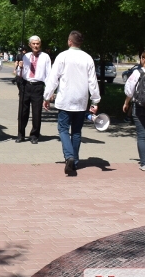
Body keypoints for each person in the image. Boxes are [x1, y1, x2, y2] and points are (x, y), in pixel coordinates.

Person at [43, 31, 101, 177]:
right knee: (76, 132)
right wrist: (95, 100)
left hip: (65, 100)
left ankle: (69, 156)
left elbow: (53, 78)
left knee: (63, 129)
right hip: (81, 101)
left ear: (69, 41)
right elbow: (92, 81)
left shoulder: (62, 56)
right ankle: (74, 162)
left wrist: (47, 96)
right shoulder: (87, 58)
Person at [16, 36, 52, 144]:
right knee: (23, 111)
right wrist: (20, 67)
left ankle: (34, 135)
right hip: (26, 85)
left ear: (40, 44)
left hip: (38, 86)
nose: (35, 46)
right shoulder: (25, 56)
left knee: (36, 112)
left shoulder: (45, 57)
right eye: (33, 44)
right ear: (30, 45)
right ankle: (21, 134)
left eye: (37, 44)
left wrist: (49, 92)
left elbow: (49, 75)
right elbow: (19, 74)